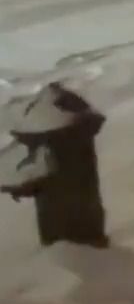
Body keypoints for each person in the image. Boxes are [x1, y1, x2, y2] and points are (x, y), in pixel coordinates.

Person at [3, 83, 109, 248]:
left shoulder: (49, 147)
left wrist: (21, 186)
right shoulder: (71, 140)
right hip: (87, 226)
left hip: (60, 231)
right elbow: (43, 178)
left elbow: (43, 178)